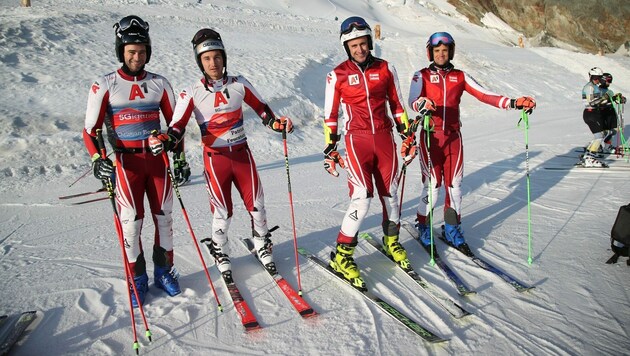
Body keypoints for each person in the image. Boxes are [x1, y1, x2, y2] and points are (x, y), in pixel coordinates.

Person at [150, 28, 293, 278]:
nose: (213, 63)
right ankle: (220, 249)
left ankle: (261, 243)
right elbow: (177, 127)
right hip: (216, 160)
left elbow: (263, 110)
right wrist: (165, 139)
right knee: (223, 211)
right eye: (206, 58)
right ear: (199, 62)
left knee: (257, 205)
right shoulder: (191, 92)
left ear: (224, 57)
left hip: (242, 155)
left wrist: (276, 123)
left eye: (217, 56)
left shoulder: (239, 84)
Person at [83, 15, 184, 307]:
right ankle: (137, 279)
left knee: (164, 220)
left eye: (141, 51)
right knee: (131, 224)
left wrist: (178, 157)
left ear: (148, 51)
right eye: (131, 52)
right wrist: (97, 159)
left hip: (157, 164)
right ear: (121, 52)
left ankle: (164, 272)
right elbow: (90, 131)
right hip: (126, 166)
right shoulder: (105, 84)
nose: (137, 57)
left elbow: (176, 126)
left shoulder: (160, 83)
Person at [408, 32, 536, 252]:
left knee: (455, 187)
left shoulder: (460, 76)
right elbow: (412, 100)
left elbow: (485, 95)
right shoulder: (422, 76)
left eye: (445, 51)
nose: (441, 54)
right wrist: (421, 104)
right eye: (437, 51)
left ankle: (451, 227)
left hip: (453, 138)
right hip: (431, 137)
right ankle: (423, 224)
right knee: (432, 187)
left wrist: (514, 103)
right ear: (431, 52)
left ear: (451, 52)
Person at [323, 16, 415, 290]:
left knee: (392, 194)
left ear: (370, 43)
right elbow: (330, 116)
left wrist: (407, 135)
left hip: (385, 138)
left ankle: (391, 241)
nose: (360, 49)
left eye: (363, 44)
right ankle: (342, 255)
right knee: (362, 197)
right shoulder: (336, 75)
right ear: (346, 47)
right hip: (356, 140)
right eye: (354, 45)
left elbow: (397, 106)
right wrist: (330, 149)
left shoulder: (386, 69)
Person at [580, 70, 626, 166]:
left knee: (603, 134)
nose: (599, 80)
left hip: (597, 113)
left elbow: (603, 100)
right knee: (600, 135)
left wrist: (616, 99)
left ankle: (590, 153)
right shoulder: (590, 87)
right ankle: (590, 155)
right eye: (599, 78)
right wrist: (607, 99)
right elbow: (593, 102)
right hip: (593, 113)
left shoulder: (597, 88)